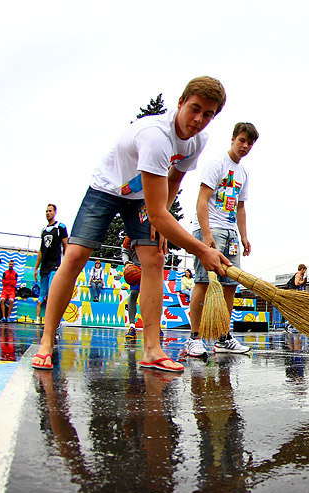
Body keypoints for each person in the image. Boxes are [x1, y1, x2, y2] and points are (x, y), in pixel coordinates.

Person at [31, 76, 229, 373]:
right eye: (194, 109)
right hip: (107, 189)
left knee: (155, 258)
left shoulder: (198, 140)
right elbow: (159, 213)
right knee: (74, 256)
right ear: (180, 103)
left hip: (142, 197)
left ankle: (151, 349)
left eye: (208, 115)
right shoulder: (155, 136)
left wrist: (158, 219)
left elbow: (173, 180)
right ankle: (46, 341)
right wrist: (200, 249)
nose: (199, 119)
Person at [184, 122, 258, 357]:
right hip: (210, 228)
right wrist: (205, 234)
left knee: (230, 285)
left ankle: (223, 338)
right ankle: (194, 338)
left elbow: (240, 208)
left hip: (230, 232)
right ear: (233, 139)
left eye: (250, 143)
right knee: (204, 281)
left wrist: (244, 235)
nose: (245, 146)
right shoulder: (217, 164)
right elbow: (201, 200)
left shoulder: (243, 172)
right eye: (242, 140)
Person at [33, 204, 69, 324]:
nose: (48, 213)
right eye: (46, 211)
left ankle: (54, 322)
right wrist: (36, 267)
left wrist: (65, 262)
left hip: (55, 265)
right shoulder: (44, 230)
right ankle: (38, 320)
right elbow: (41, 250)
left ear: (55, 212)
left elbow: (66, 244)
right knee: (42, 296)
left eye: (50, 211)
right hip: (44, 267)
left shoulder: (60, 227)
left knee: (52, 295)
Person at [122, 236, 141, 339]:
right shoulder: (131, 235)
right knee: (133, 294)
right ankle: (132, 326)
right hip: (136, 268)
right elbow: (125, 251)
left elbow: (163, 253)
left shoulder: (157, 232)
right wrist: (126, 262)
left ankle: (155, 327)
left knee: (150, 299)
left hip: (151, 269)